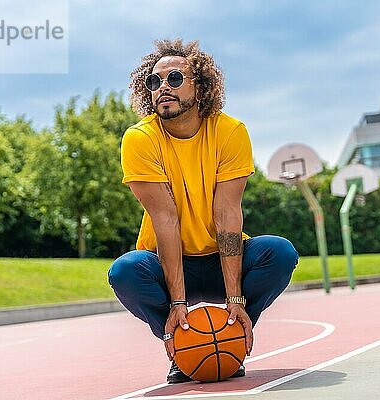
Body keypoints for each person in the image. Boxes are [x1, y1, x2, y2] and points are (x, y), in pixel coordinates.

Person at [108, 39, 299, 384]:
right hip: (168, 259)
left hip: (220, 260)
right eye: (154, 82)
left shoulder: (230, 132)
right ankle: (182, 345)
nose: (163, 87)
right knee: (125, 271)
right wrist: (178, 303)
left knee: (280, 252)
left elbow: (227, 215)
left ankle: (234, 335)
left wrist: (236, 298)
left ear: (201, 85)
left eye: (175, 78)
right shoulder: (139, 138)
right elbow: (165, 220)